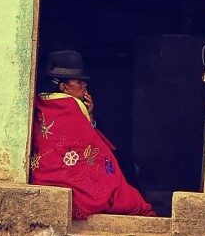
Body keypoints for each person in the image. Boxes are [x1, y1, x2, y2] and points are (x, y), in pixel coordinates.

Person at [29, 50, 156, 220]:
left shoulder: (40, 100)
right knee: (121, 187)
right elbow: (90, 145)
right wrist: (88, 114)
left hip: (42, 175)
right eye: (79, 82)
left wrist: (89, 115)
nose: (84, 86)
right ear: (63, 87)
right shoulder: (72, 104)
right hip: (65, 176)